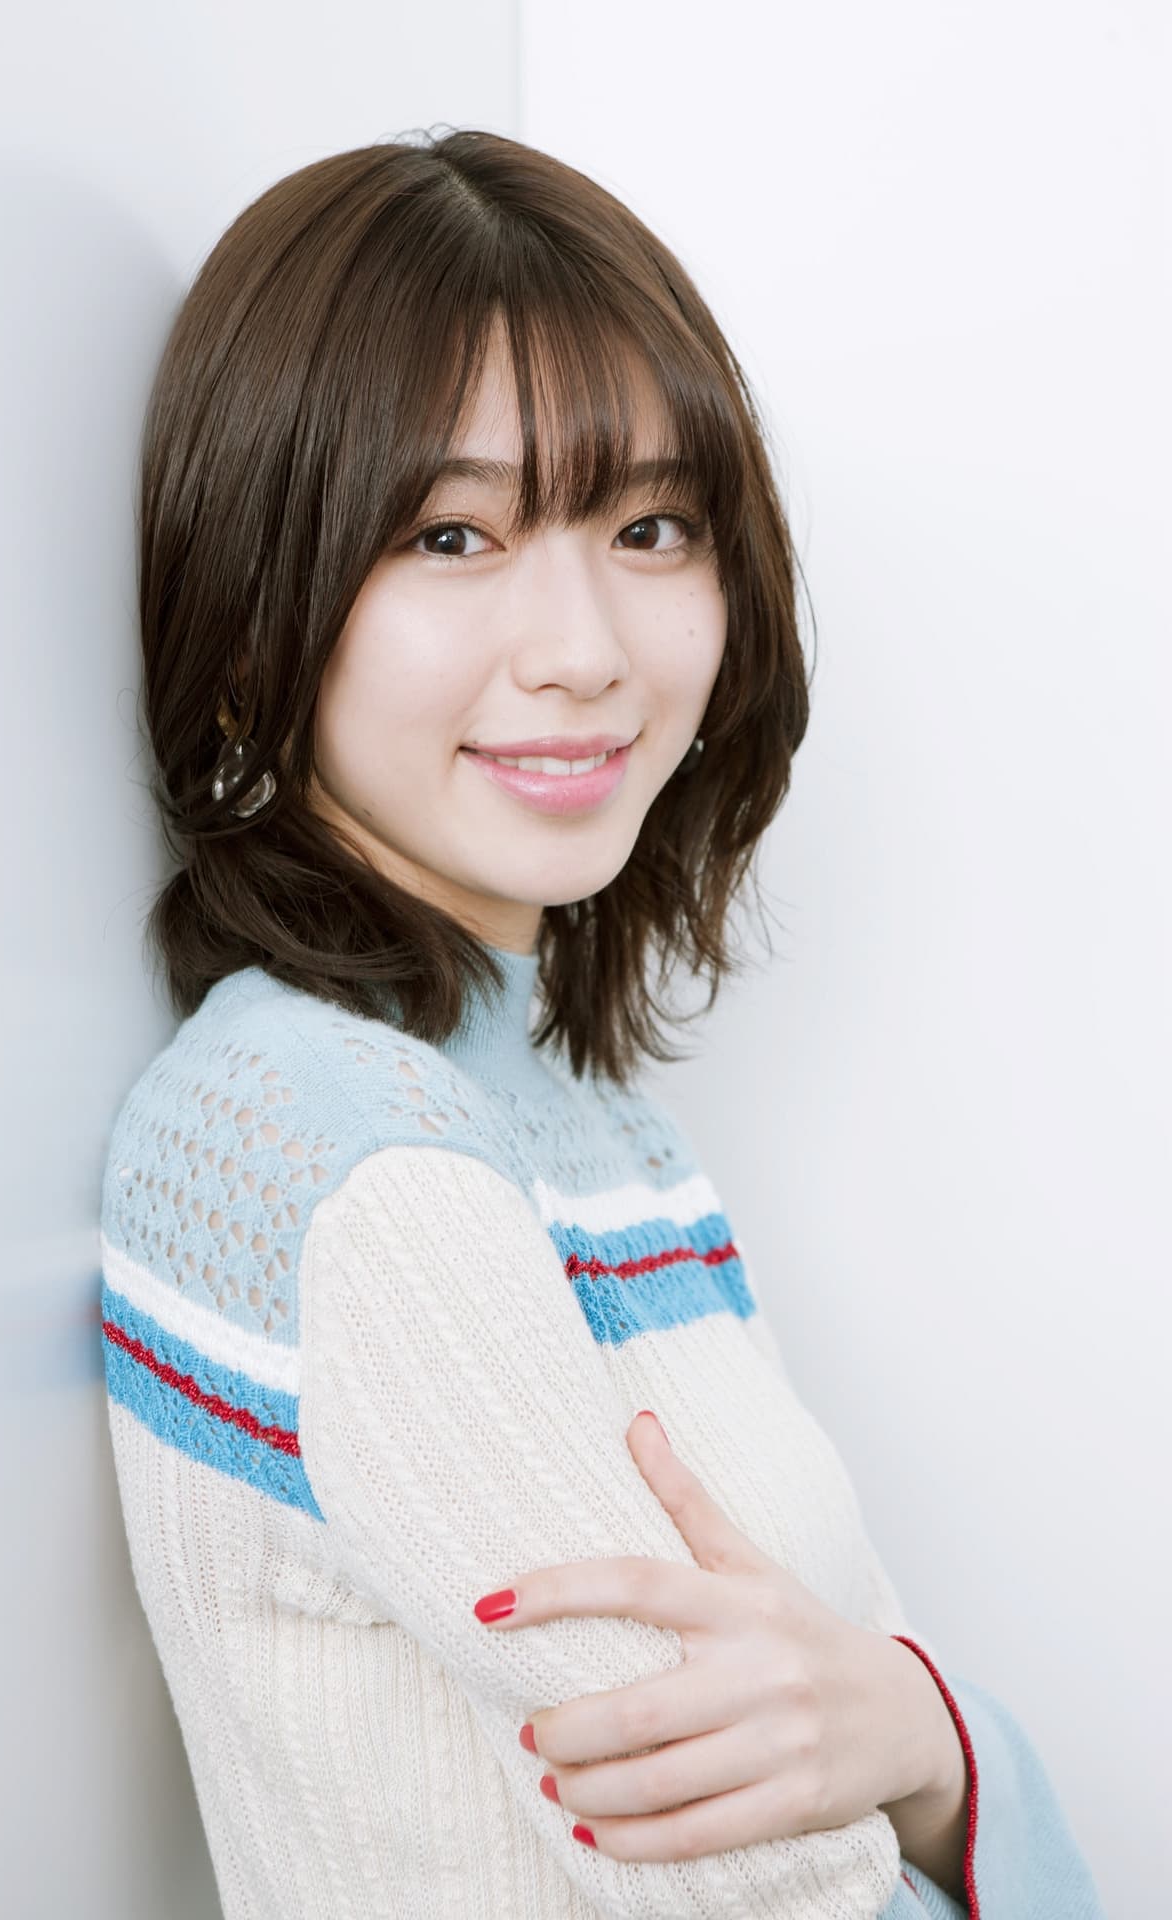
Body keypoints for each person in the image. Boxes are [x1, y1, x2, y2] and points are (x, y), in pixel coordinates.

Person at [99, 127, 1104, 1919]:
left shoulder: (586, 1132)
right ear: (252, 614)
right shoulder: (336, 1157)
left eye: (649, 527)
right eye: (453, 534)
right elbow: (781, 1878)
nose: (583, 649)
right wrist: (936, 1747)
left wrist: (927, 1738)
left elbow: (855, 1718)